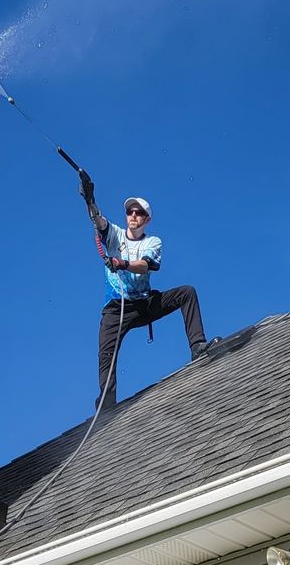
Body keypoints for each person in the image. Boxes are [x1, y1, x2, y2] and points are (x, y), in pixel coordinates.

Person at [80, 170, 211, 409]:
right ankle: (107, 403)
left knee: (187, 292)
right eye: (130, 211)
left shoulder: (153, 242)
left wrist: (123, 263)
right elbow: (98, 221)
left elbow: (145, 266)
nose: (133, 216)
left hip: (144, 305)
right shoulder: (115, 235)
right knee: (106, 353)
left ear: (147, 220)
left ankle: (198, 347)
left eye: (139, 213)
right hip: (116, 310)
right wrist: (89, 200)